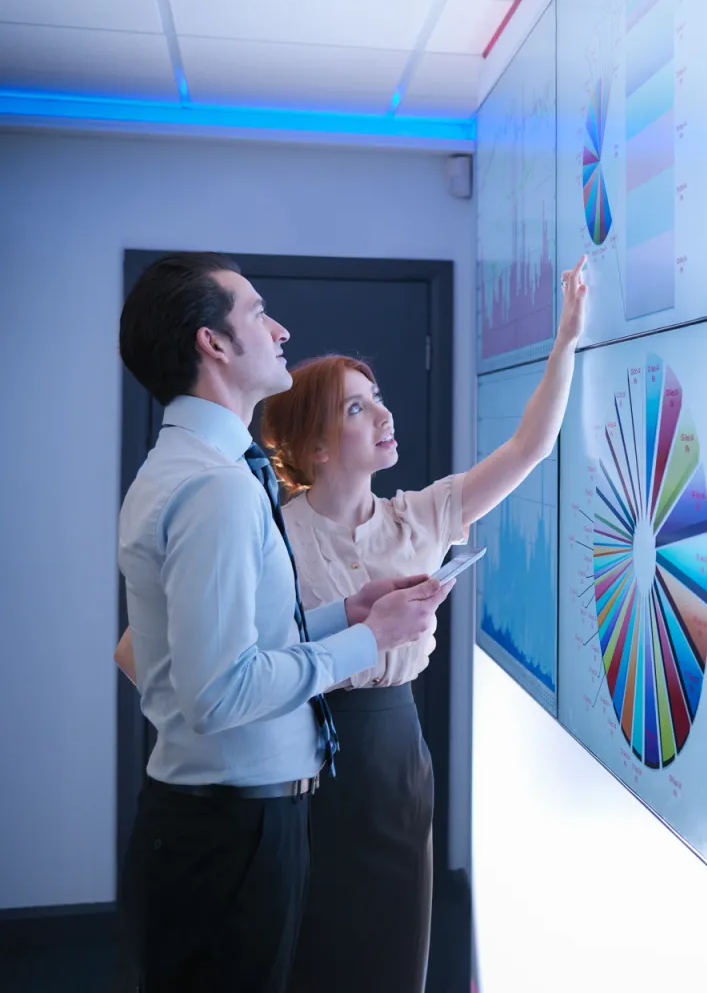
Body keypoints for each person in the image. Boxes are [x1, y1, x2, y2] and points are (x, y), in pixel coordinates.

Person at [115, 252, 453, 993]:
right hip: (230, 835)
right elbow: (220, 692)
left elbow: (227, 648)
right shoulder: (218, 489)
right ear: (214, 344)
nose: (280, 328)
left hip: (218, 824)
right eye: (258, 312)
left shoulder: (195, 469)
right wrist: (369, 639)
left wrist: (344, 613)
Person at [262, 255, 587, 993]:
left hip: (396, 752)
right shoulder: (273, 533)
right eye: (356, 408)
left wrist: (565, 340)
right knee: (313, 947)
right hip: (299, 753)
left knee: (392, 943)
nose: (384, 415)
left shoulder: (422, 515)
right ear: (315, 446)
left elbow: (529, 447)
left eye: (377, 399)